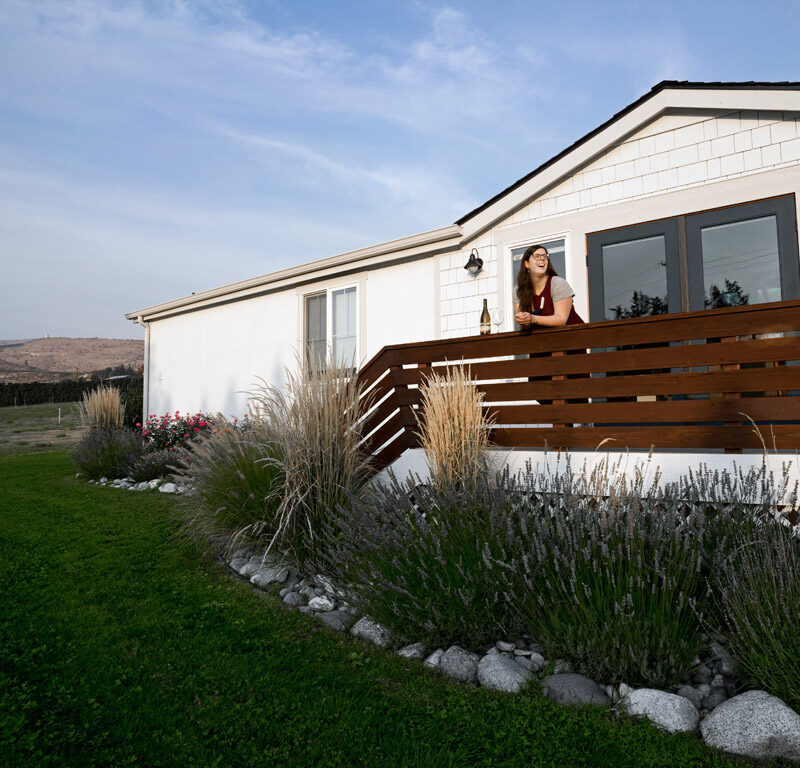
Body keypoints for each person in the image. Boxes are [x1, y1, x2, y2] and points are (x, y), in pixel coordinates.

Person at [514, 245, 584, 328]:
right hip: (547, 339)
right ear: (526, 264)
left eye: (545, 256)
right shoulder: (518, 290)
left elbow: (561, 320)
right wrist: (523, 320)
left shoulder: (558, 284)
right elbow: (523, 327)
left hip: (577, 335)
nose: (542, 258)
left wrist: (532, 318)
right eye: (536, 256)